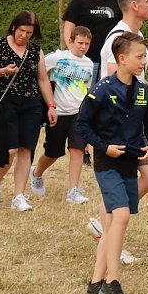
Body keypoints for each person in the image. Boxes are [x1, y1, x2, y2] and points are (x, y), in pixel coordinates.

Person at [87, 0, 148, 264]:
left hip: (134, 122)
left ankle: (105, 226)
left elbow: (134, 80)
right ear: (135, 6)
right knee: (118, 183)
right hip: (117, 125)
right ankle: (110, 234)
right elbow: (117, 82)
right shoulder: (118, 38)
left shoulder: (136, 35)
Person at [76, 32, 148, 294]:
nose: (143, 61)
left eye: (144, 56)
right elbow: (81, 126)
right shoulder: (101, 90)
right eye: (139, 56)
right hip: (106, 162)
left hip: (130, 162)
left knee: (113, 222)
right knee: (120, 217)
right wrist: (104, 147)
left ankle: (95, 282)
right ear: (121, 59)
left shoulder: (143, 91)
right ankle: (112, 283)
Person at [0, 11, 58, 212]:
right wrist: (4, 71)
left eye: (29, 33)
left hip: (31, 103)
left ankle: (19, 195)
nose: (24, 36)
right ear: (14, 27)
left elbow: (42, 79)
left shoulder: (35, 51)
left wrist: (50, 105)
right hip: (5, 101)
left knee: (26, 149)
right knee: (9, 149)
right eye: (21, 31)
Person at [30, 26, 94, 204]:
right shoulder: (57, 58)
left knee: (77, 150)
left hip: (79, 114)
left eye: (87, 44)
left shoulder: (88, 64)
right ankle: (36, 173)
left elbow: (87, 88)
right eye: (80, 43)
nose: (83, 47)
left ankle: (73, 190)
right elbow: (39, 73)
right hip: (58, 113)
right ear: (70, 41)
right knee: (53, 153)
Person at [62, 0, 120, 81]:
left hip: (110, 59)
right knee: (84, 96)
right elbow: (68, 27)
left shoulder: (117, 1)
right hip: (84, 59)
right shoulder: (79, 0)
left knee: (108, 96)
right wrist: (73, 52)